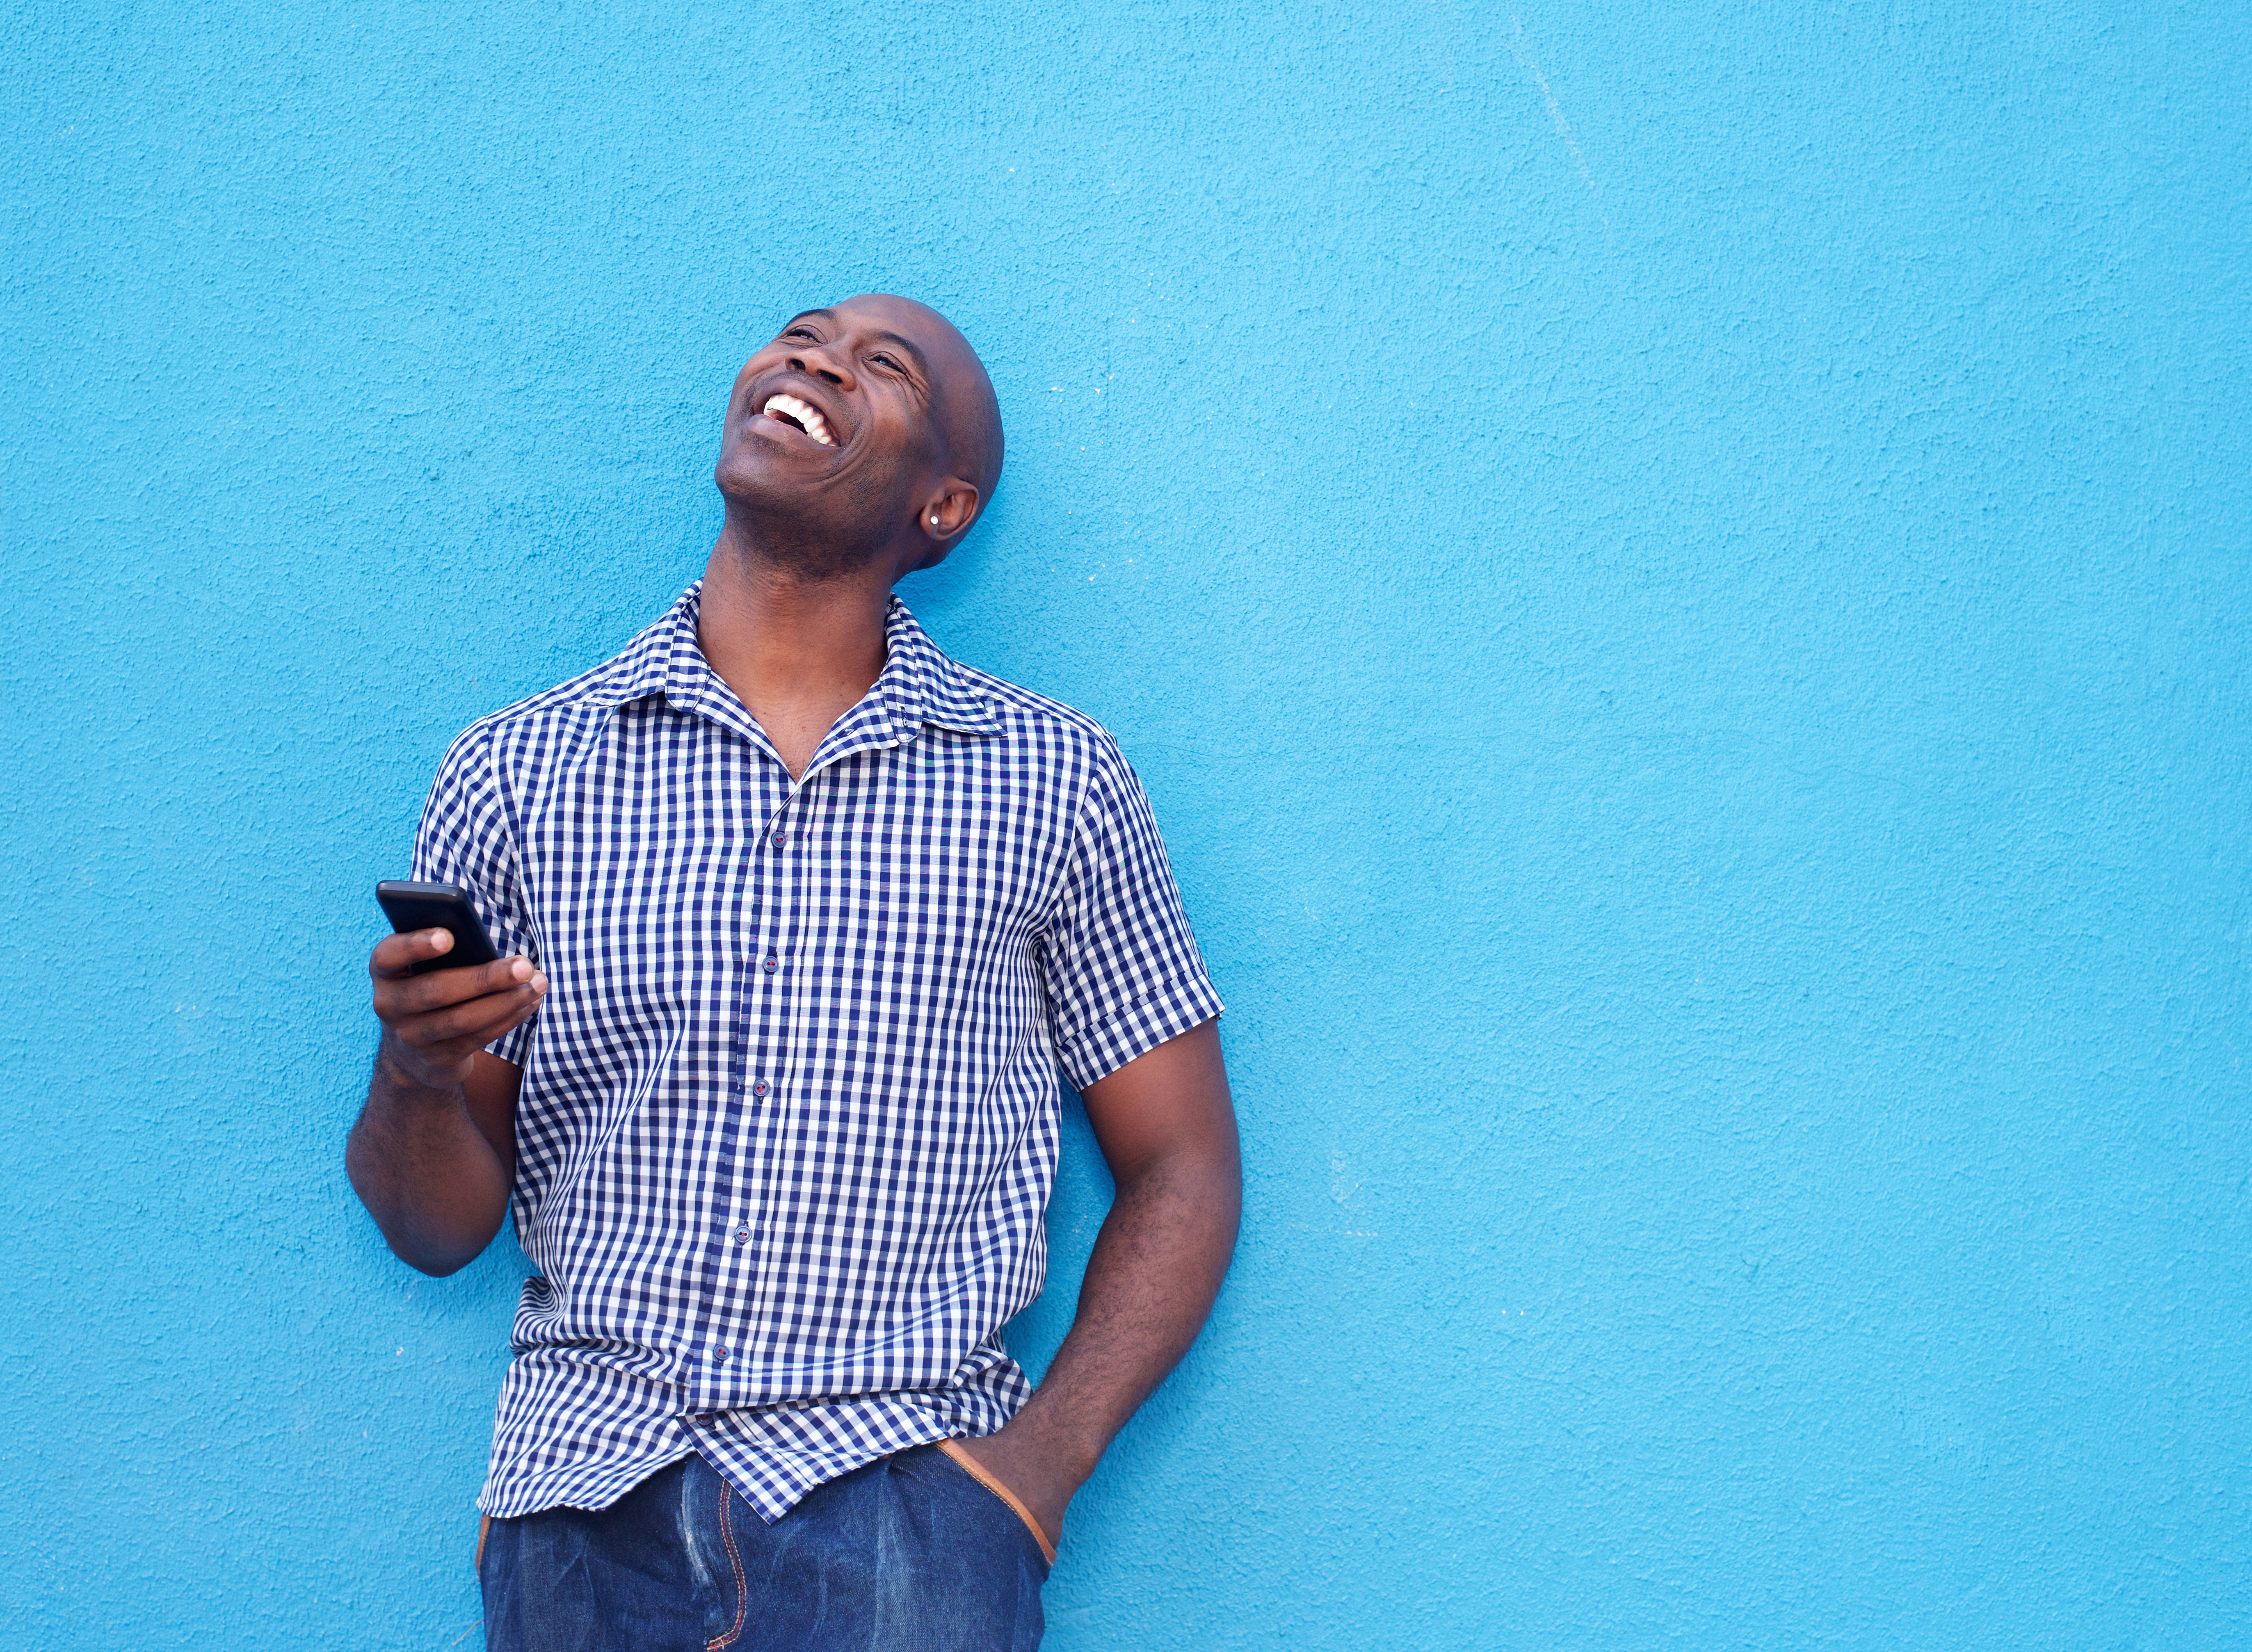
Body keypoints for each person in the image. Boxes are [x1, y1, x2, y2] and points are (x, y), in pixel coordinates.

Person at [345, 294, 1239, 1652]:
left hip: (905, 1511)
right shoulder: (517, 770)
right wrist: (414, 1071)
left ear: (941, 511)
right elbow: (434, 1228)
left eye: (884, 367)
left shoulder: (1055, 781)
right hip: (583, 1507)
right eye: (803, 334)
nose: (815, 358)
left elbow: (1182, 1165)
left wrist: (1028, 1481)